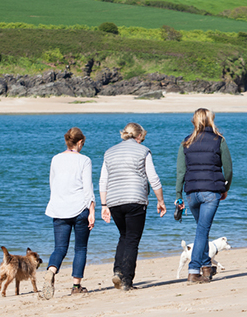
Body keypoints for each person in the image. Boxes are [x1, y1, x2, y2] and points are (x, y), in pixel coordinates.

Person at [99, 123, 166, 291]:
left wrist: (103, 204)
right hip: (135, 199)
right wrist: (161, 201)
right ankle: (126, 279)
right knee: (132, 239)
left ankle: (118, 270)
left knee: (124, 236)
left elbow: (103, 181)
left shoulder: (109, 152)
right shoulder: (143, 151)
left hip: (114, 201)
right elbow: (153, 177)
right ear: (139, 136)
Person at [176, 108, 232, 284]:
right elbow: (228, 169)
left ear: (194, 121)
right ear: (210, 121)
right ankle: (193, 271)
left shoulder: (186, 142)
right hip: (210, 191)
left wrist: (179, 194)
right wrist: (225, 188)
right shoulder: (219, 140)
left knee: (202, 229)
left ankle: (207, 267)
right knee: (202, 230)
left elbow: (180, 171)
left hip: (191, 193)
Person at [43, 127, 95, 299]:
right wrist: (92, 210)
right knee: (80, 248)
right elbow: (88, 188)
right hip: (80, 208)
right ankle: (76, 286)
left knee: (60, 248)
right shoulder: (84, 160)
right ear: (80, 142)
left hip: (59, 208)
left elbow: (53, 183)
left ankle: (51, 270)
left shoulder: (55, 159)